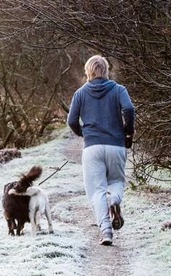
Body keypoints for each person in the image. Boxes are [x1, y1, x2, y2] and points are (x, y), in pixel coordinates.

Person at [67, 55, 135, 246]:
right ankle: (114, 200)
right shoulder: (119, 90)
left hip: (93, 148)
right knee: (116, 182)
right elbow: (129, 109)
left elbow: (71, 121)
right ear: (106, 70)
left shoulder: (80, 93)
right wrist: (128, 132)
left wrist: (83, 133)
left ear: (87, 71)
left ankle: (106, 231)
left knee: (96, 191)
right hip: (116, 145)